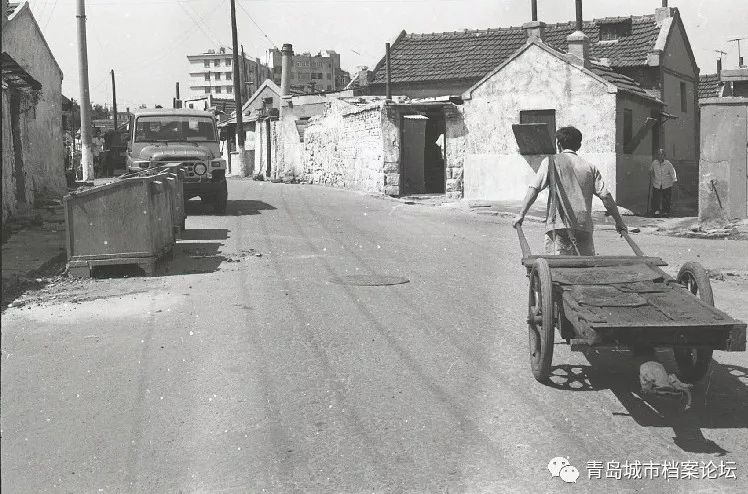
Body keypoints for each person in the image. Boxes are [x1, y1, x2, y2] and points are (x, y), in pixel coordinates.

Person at [513, 126, 628, 255]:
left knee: (557, 265)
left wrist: (521, 214)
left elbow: (534, 189)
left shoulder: (551, 162)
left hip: (558, 226)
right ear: (579, 146)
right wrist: (619, 222)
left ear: (558, 144)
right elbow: (606, 196)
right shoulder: (590, 167)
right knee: (584, 264)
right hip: (583, 226)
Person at [649, 149, 677, 217]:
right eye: (659, 154)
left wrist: (674, 180)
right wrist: (651, 176)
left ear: (664, 156)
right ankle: (656, 211)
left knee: (666, 198)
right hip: (657, 183)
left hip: (666, 183)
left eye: (661, 155)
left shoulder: (668, 164)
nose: (660, 156)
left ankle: (666, 212)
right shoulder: (654, 163)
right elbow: (651, 170)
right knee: (656, 198)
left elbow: (673, 172)